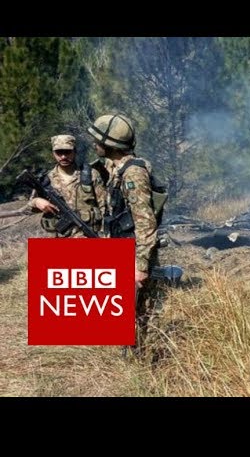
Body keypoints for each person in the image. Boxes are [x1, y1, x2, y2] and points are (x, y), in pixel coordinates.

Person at [87, 114, 161, 357]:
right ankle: (128, 352)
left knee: (141, 311)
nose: (94, 144)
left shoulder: (132, 174)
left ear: (110, 144)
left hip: (134, 252)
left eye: (98, 141)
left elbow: (146, 223)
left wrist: (141, 266)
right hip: (122, 248)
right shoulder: (117, 169)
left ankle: (146, 359)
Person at [29, 134, 106, 237]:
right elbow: (27, 208)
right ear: (53, 153)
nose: (63, 157)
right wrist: (36, 201)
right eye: (59, 152)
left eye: (67, 152)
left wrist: (105, 234)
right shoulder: (46, 181)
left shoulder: (90, 175)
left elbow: (105, 206)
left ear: (74, 151)